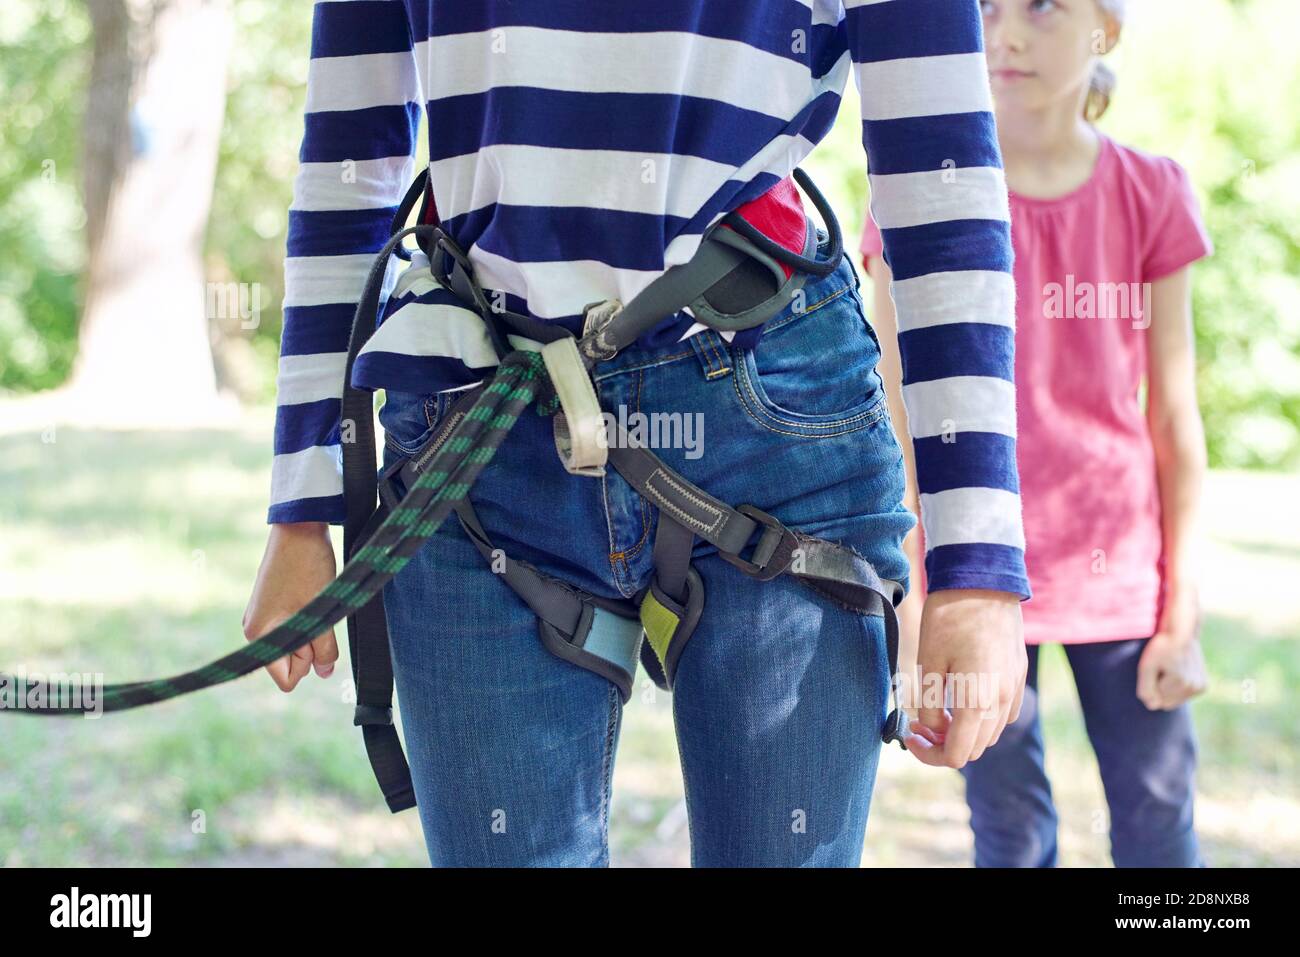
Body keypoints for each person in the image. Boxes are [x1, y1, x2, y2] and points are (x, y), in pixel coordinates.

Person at [243, 0, 1029, 867]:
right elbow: (348, 174)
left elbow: (939, 179)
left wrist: (976, 569)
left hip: (774, 423)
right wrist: (302, 504)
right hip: (481, 429)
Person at [862, 0, 1212, 867]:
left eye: (1043, 7)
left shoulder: (1151, 192)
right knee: (1010, 832)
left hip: (1121, 579)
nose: (1004, 34)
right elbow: (893, 412)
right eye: (985, 10)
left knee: (1158, 820)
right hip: (974, 585)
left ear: (1106, 31)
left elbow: (1173, 412)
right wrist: (913, 594)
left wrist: (1183, 610)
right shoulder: (915, 200)